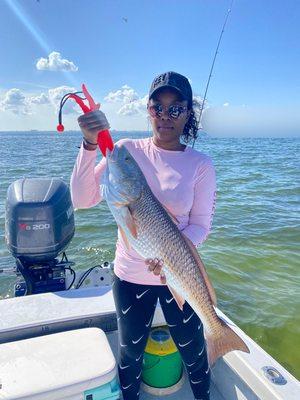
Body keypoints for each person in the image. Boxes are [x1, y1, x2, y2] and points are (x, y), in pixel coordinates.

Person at [70, 71, 217, 400]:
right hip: (130, 276)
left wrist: (169, 254)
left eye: (175, 109)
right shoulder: (125, 151)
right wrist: (90, 144)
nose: (165, 117)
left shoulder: (200, 165)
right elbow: (81, 200)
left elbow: (201, 225)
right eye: (157, 108)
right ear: (148, 110)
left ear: (188, 113)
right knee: (130, 355)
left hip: (179, 273)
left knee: (194, 353)